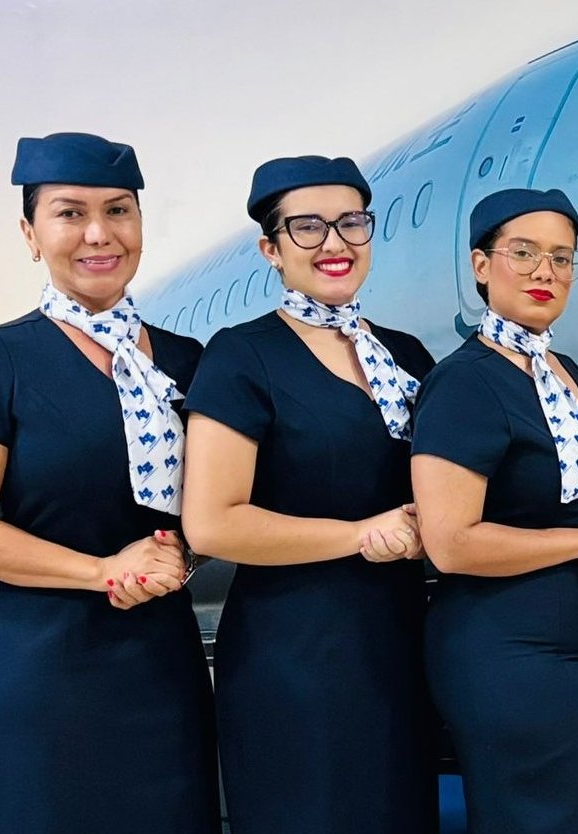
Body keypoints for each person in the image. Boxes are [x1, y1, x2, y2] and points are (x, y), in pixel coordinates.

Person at [0, 132, 218, 833]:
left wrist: (183, 556)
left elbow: (211, 506)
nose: (99, 234)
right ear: (30, 234)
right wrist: (101, 571)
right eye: (70, 213)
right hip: (45, 669)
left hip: (162, 662)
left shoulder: (186, 361)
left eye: (118, 210)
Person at [181, 156, 436, 833]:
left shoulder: (407, 356)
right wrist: (360, 535)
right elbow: (212, 523)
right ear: (271, 248)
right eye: (307, 227)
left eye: (351, 222)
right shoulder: (243, 356)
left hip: (400, 644)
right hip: (296, 654)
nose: (334, 243)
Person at [413, 187, 578, 834]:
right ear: (481, 264)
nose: (545, 271)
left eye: (562, 257)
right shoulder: (463, 383)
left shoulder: (563, 370)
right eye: (522, 252)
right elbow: (450, 543)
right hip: (509, 653)